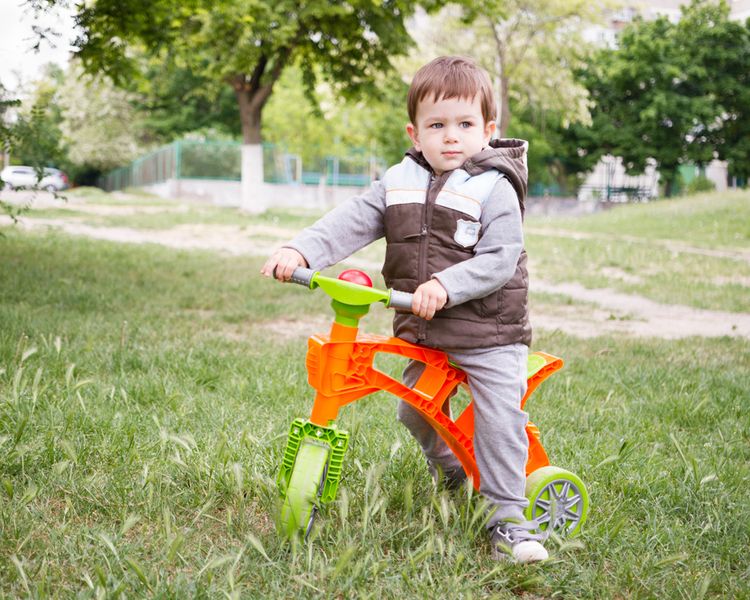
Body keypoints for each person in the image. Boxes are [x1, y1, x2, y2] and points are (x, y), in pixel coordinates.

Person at [261, 56, 547, 563]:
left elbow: (501, 260)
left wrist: (446, 284)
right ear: (415, 133)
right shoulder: (399, 181)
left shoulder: (494, 187)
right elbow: (349, 221)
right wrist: (301, 251)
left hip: (490, 333)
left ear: (489, 129)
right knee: (413, 411)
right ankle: (453, 468)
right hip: (428, 329)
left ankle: (509, 522)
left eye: (464, 125)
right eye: (437, 126)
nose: (451, 137)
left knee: (498, 418)